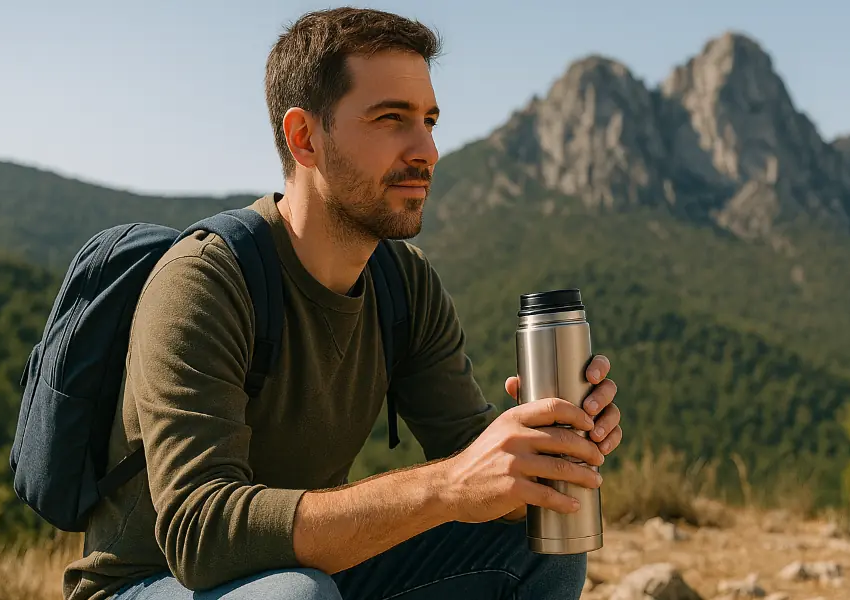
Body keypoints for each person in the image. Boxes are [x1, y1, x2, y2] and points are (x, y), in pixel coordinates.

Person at [63, 7, 623, 600]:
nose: (427, 150)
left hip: (311, 574)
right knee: (294, 596)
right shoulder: (204, 282)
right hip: (152, 583)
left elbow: (474, 467)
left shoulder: (404, 285)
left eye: (430, 121)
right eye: (391, 119)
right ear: (305, 137)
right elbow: (201, 538)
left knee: (542, 550)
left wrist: (538, 458)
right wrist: (447, 486)